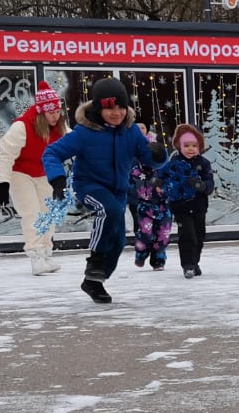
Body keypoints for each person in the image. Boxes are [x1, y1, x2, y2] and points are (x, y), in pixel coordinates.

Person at [41, 76, 162, 304]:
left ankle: (94, 281)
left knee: (117, 240)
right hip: (89, 186)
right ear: (98, 109)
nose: (117, 113)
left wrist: (158, 155)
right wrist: (57, 179)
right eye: (109, 109)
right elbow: (52, 153)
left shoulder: (131, 131)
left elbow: (149, 158)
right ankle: (95, 261)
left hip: (118, 191)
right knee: (109, 211)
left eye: (121, 107)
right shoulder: (84, 133)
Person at [0, 80, 68, 275]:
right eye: (50, 113)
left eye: (57, 111)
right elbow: (6, 155)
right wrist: (3, 183)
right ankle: (36, 256)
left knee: (48, 213)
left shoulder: (61, 127)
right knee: (32, 213)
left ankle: (46, 253)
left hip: (43, 173)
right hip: (20, 173)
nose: (55, 116)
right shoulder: (22, 126)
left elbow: (75, 143)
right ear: (41, 112)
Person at [160, 123, 215, 278]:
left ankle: (195, 262)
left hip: (198, 205)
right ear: (179, 146)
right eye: (186, 145)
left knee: (199, 235)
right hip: (180, 206)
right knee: (187, 234)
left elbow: (210, 183)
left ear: (200, 146)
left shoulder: (203, 164)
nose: (190, 149)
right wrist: (158, 184)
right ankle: (188, 265)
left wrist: (202, 185)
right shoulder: (174, 164)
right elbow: (163, 177)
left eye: (194, 146)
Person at [128, 133, 174, 271]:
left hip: (164, 206)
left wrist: (165, 188)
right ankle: (141, 254)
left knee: (163, 234)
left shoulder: (165, 170)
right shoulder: (136, 171)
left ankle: (158, 260)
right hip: (145, 206)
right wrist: (132, 195)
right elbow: (128, 185)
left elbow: (173, 184)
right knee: (145, 232)